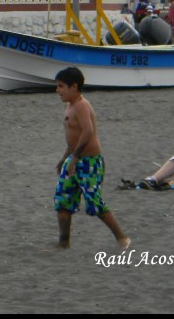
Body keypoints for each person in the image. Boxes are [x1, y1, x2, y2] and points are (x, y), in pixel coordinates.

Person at [52, 67, 130, 250]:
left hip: (89, 162)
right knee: (62, 200)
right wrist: (64, 158)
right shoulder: (69, 105)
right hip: (73, 159)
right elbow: (73, 137)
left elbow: (88, 132)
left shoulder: (81, 105)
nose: (57, 91)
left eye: (61, 86)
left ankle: (122, 238)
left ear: (74, 87)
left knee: (94, 202)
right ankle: (64, 242)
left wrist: (75, 158)